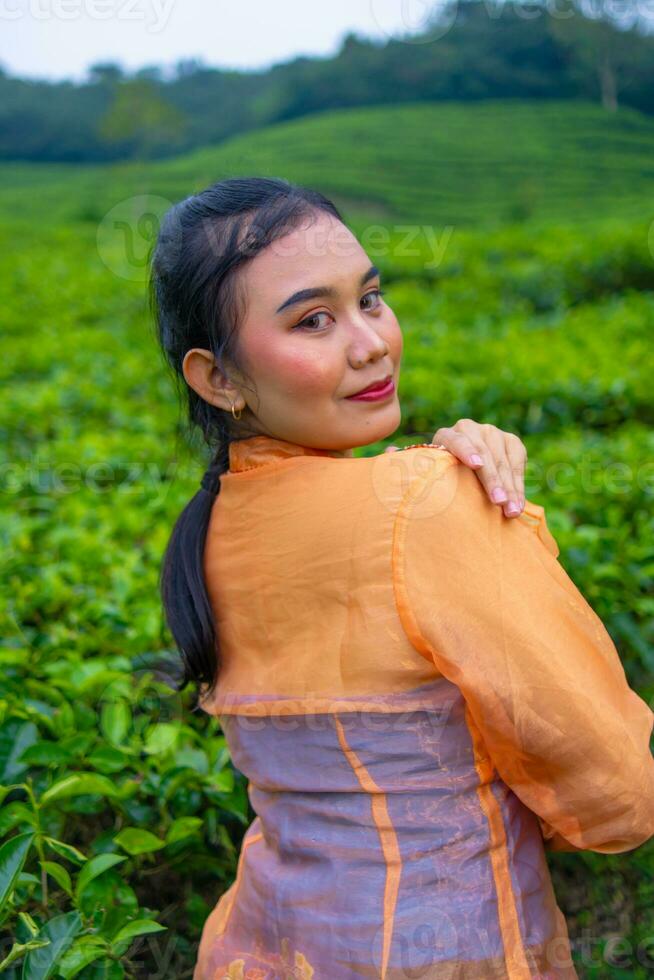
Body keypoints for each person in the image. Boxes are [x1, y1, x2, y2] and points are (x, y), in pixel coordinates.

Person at [149, 176, 654, 980]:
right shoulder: (425, 503)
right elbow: (617, 790)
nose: (371, 342)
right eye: (313, 320)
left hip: (263, 946)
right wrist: (488, 515)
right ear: (217, 379)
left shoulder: (207, 531)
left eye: (371, 298)